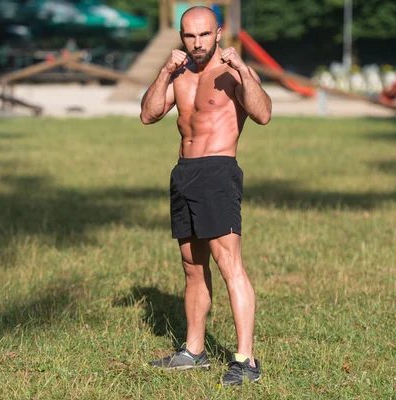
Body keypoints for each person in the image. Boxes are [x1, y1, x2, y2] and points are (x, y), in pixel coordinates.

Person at [139, 6, 272, 386]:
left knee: (229, 264)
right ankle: (194, 352)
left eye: (203, 35)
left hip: (218, 171)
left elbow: (263, 114)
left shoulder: (233, 73)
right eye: (189, 36)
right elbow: (149, 115)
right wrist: (164, 72)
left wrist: (245, 70)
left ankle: (245, 360)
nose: (196, 43)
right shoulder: (179, 74)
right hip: (184, 174)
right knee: (192, 268)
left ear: (218, 33)